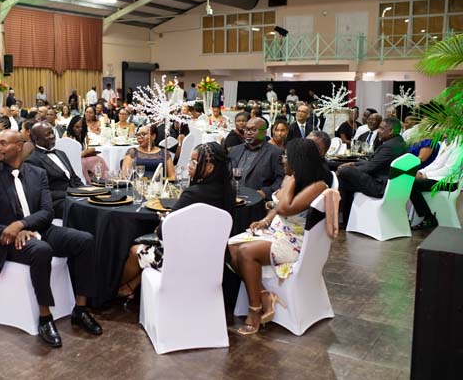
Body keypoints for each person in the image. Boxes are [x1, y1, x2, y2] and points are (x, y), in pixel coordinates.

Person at [0, 129, 102, 347]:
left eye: (3, 144)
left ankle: (80, 309)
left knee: (85, 240)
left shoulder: (37, 173)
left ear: (18, 146)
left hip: (41, 229)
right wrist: (11, 230)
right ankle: (44, 317)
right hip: (8, 241)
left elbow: (47, 212)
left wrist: (22, 224)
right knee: (41, 250)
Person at [227, 138, 336, 335]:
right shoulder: (295, 179)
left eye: (286, 156)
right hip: (278, 231)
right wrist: (265, 220)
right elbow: (278, 208)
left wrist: (291, 181)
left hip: (295, 243)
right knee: (229, 248)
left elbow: (285, 208)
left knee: (245, 253)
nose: (282, 160)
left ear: (298, 160)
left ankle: (255, 310)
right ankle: (263, 295)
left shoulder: (317, 186)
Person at [119, 142, 235, 298]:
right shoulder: (228, 190)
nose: (189, 166)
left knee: (135, 251)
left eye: (194, 162)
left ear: (209, 168)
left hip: (183, 260)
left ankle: (116, 289)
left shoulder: (194, 194)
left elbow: (163, 232)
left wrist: (162, 223)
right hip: (214, 258)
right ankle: (130, 287)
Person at [337, 118, 407, 226]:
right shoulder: (399, 142)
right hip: (391, 185)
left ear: (391, 131)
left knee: (344, 172)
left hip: (379, 186)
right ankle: (345, 219)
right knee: (346, 178)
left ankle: (340, 215)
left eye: (381, 128)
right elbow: (374, 163)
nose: (379, 131)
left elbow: (370, 168)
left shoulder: (389, 146)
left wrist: (351, 170)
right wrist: (354, 164)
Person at [26, 122, 85, 218]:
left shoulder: (61, 153)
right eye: (48, 134)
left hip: (74, 196)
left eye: (52, 133)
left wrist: (86, 191)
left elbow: (74, 177)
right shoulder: (33, 160)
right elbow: (41, 192)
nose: (52, 136)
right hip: (56, 203)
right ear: (36, 138)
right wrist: (71, 193)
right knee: (85, 210)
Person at [410, 137, 463, 230]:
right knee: (410, 181)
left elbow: (449, 170)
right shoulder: (446, 142)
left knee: (413, 184)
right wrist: (421, 172)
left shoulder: (459, 145)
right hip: (437, 177)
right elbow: (436, 163)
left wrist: (425, 175)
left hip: (448, 182)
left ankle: (428, 218)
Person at [228, 118, 284, 202]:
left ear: (264, 133)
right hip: (233, 199)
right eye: (246, 129)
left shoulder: (275, 153)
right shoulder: (235, 150)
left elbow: (281, 179)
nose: (248, 133)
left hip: (257, 201)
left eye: (253, 130)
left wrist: (266, 192)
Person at [65, 115, 109, 183]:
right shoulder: (67, 136)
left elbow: (85, 148)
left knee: (99, 159)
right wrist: (85, 152)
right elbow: (69, 156)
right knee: (83, 163)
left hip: (82, 157)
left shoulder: (84, 135)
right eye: (76, 127)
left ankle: (102, 180)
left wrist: (89, 152)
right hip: (72, 161)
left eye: (81, 127)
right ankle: (86, 182)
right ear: (71, 126)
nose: (79, 129)